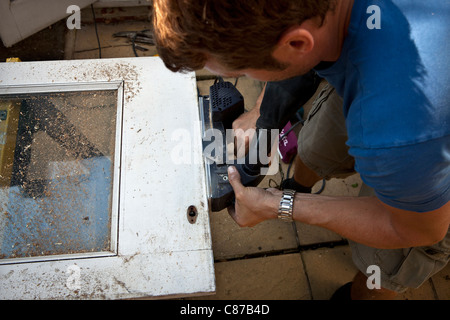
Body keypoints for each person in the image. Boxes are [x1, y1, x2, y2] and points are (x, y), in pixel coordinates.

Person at [152, 0, 450, 300]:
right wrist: (262, 113)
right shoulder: (321, 15)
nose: (246, 76)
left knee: (384, 267)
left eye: (242, 70)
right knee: (315, 146)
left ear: (297, 43)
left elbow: (417, 229)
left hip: (422, 172)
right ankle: (298, 187)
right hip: (380, 70)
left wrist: (278, 206)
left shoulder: (402, 130)